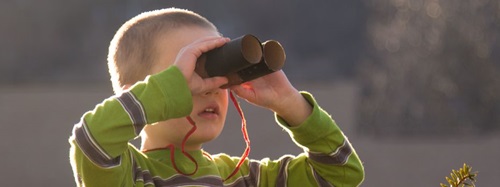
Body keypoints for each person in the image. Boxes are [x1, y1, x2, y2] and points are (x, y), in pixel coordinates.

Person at [69, 7, 364, 187]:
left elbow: (340, 174)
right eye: (191, 72)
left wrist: (290, 103)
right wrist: (171, 87)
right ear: (140, 92)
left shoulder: (243, 179)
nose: (209, 87)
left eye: (217, 70)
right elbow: (91, 140)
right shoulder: (128, 175)